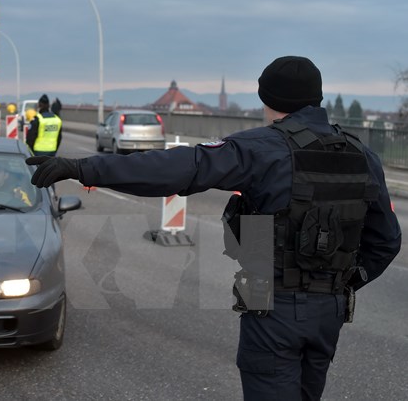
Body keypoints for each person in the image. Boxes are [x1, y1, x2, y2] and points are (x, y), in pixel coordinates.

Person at [25, 56, 401, 400]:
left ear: (267, 98)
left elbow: (177, 169)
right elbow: (386, 241)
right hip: (329, 311)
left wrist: (82, 169)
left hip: (272, 308)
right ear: (316, 98)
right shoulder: (361, 153)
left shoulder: (260, 148)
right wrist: (340, 285)